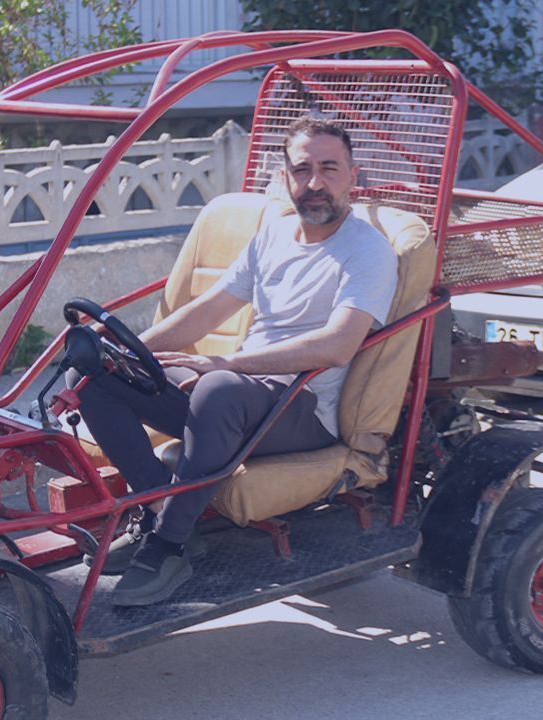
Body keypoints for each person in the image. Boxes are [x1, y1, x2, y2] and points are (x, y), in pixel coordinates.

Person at [72, 117, 399, 606]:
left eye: (329, 169)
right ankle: (162, 509)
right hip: (241, 397)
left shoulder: (368, 251)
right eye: (302, 169)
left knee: (217, 388)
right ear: (284, 176)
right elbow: (205, 312)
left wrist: (224, 364)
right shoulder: (274, 235)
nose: (314, 183)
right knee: (95, 374)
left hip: (304, 407)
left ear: (355, 174)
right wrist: (124, 349)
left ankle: (168, 547)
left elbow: (337, 345)